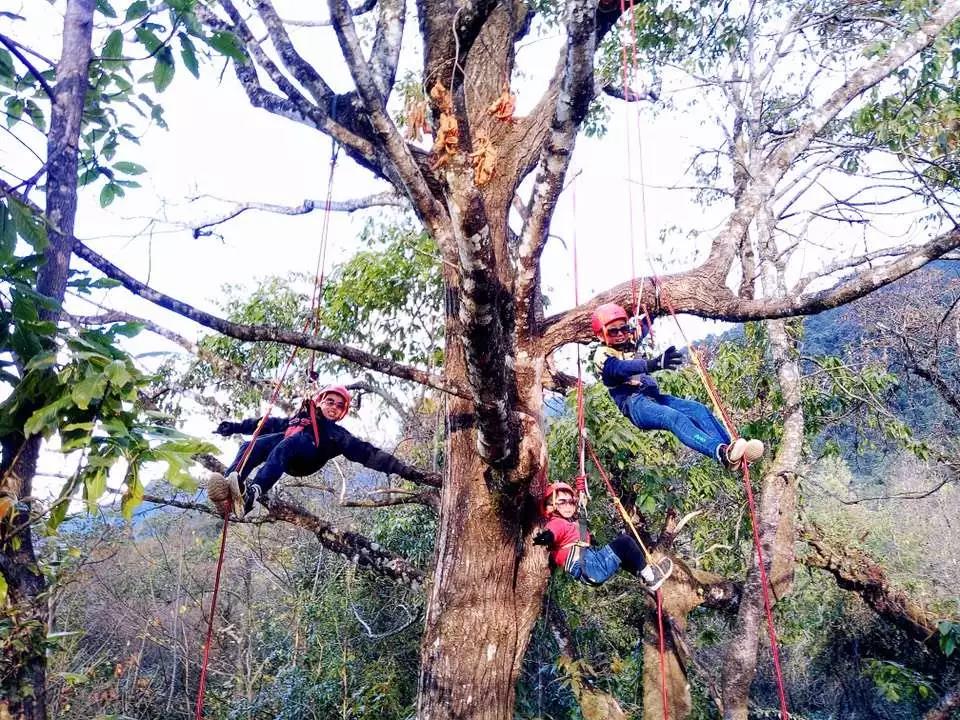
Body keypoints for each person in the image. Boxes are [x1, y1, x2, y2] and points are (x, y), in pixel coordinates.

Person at [207, 385, 434, 516]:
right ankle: (228, 491)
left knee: (285, 445)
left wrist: (406, 471)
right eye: (330, 402)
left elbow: (367, 453)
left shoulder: (336, 434)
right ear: (321, 401)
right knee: (251, 445)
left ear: (342, 412)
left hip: (307, 459)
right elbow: (265, 423)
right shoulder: (299, 419)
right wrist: (235, 427)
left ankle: (253, 494)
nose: (334, 407)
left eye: (339, 406)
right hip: (288, 446)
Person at [591, 302, 764, 469]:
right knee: (673, 418)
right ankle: (719, 452)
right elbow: (619, 369)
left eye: (624, 328)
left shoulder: (629, 339)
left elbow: (645, 324)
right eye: (613, 331)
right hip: (636, 405)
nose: (620, 334)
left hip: (653, 398)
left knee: (698, 409)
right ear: (600, 335)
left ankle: (731, 452)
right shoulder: (603, 356)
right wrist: (653, 364)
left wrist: (653, 305)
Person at [532, 480, 674, 591]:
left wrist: (580, 491)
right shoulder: (557, 523)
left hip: (590, 571)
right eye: (562, 502)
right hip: (590, 567)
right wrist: (548, 536)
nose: (568, 506)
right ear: (550, 507)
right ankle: (651, 577)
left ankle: (644, 575)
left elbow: (579, 526)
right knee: (625, 543)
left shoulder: (572, 525)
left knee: (623, 555)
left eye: (571, 502)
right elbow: (554, 531)